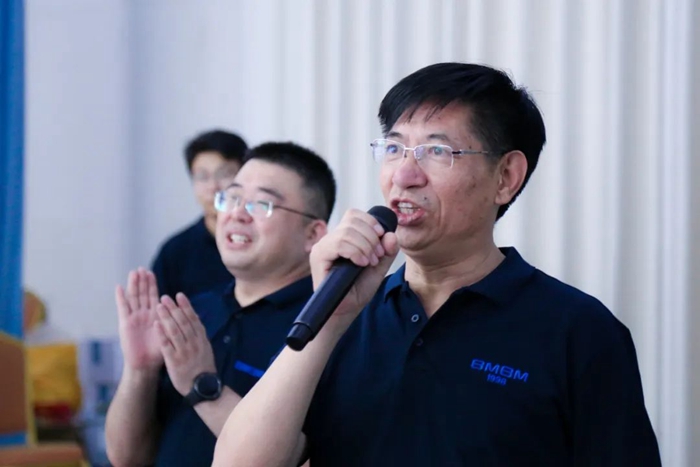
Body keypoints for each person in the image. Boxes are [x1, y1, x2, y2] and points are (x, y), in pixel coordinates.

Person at [212, 63, 662, 466]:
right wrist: (330, 323)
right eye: (393, 149)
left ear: (505, 177)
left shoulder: (578, 330)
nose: (404, 175)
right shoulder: (343, 313)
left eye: (436, 151)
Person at [105, 142, 337, 467]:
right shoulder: (194, 312)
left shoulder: (327, 328)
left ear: (313, 234)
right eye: (232, 198)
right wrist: (139, 370)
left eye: (262, 204)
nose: (237, 214)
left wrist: (202, 384)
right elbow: (126, 457)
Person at [151, 129, 248, 299]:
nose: (213, 187)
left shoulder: (262, 240)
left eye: (224, 174)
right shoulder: (175, 252)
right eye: (202, 176)